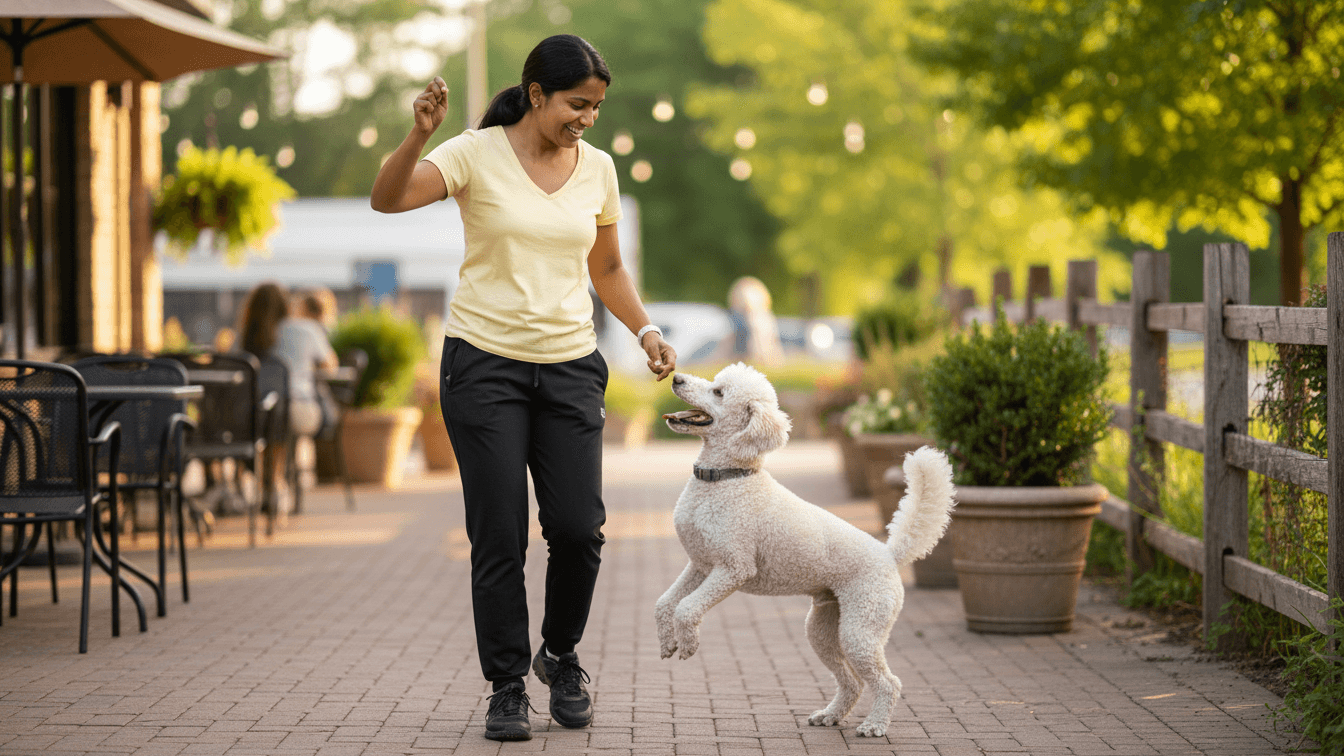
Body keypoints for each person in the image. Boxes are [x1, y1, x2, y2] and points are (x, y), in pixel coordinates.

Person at [370, 34, 676, 742]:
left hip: (570, 366)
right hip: (483, 364)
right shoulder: (474, 154)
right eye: (577, 104)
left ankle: (560, 654)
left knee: (578, 529)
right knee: (499, 532)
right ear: (536, 95)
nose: (587, 119)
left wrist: (645, 330)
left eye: (596, 107)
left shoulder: (597, 168)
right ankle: (507, 683)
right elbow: (388, 200)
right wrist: (418, 136)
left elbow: (607, 270)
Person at [238, 282, 339, 440]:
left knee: (272, 419)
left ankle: (270, 463)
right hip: (299, 408)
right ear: (284, 304)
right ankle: (287, 464)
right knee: (287, 418)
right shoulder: (306, 329)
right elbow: (331, 367)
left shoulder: (245, 338)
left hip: (254, 409)